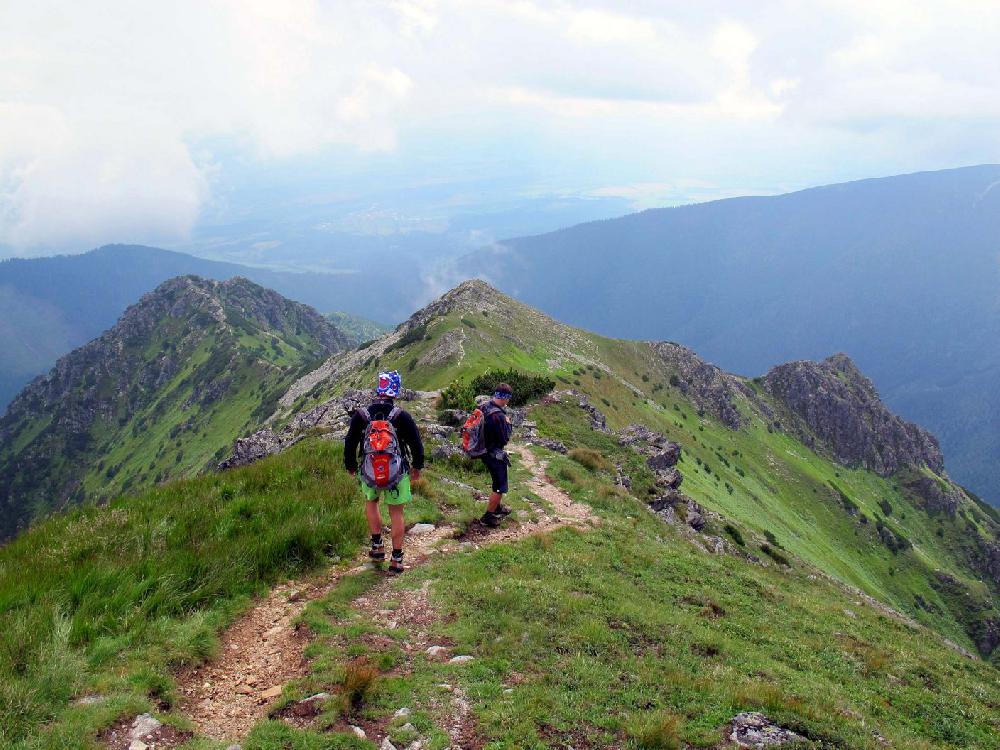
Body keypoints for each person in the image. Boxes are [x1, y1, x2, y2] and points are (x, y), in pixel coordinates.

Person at [344, 371, 425, 574]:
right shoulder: (401, 416)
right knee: (396, 512)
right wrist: (417, 467)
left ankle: (377, 546)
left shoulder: (362, 415)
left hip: (369, 471)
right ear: (394, 391)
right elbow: (416, 444)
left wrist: (351, 466)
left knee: (371, 503)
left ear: (379, 389)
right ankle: (396, 559)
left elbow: (350, 443)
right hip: (397, 472)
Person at [479, 382, 515, 528]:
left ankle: (497, 507)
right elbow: (504, 439)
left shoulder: (484, 406)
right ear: (505, 398)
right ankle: (488, 516)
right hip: (493, 453)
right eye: (508, 398)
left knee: (497, 481)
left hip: (482, 449)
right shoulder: (499, 416)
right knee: (500, 486)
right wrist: (509, 424)